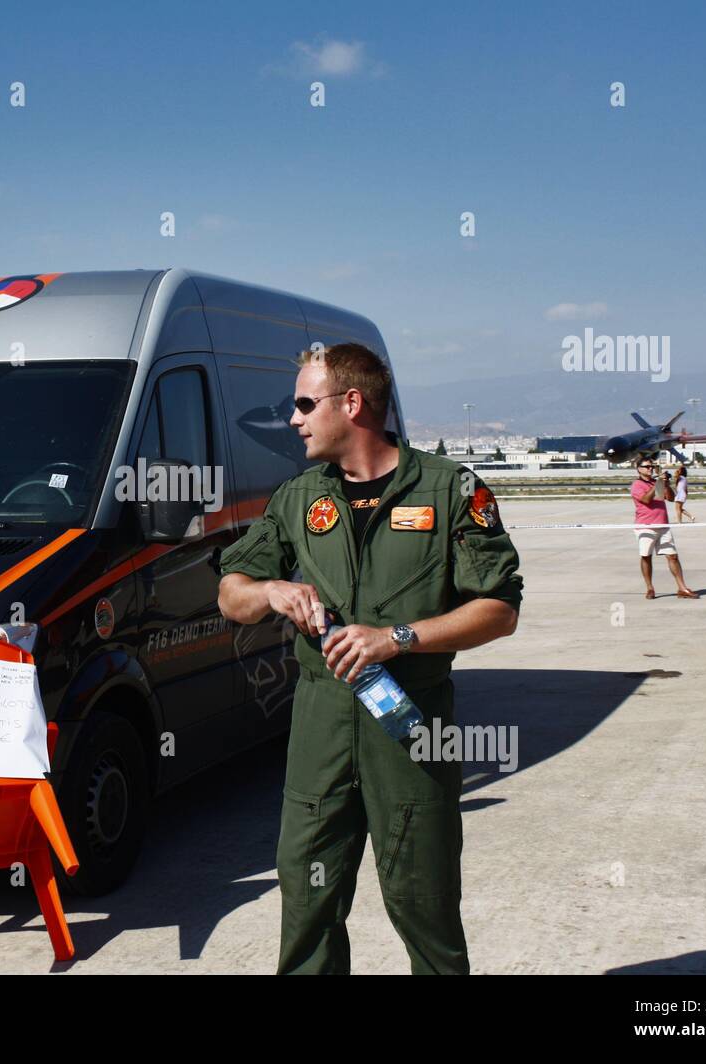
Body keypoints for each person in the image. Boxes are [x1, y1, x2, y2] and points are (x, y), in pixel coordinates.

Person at [217, 342, 524, 975]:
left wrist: (397, 639)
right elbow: (231, 594)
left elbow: (499, 610)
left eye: (304, 404)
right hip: (319, 726)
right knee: (306, 902)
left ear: (352, 403)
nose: (294, 419)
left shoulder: (449, 491)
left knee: (424, 906)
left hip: (412, 727)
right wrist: (271, 590)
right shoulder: (299, 497)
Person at [630, 458, 698, 600]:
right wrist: (657, 484)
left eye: (652, 466)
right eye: (647, 466)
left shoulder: (656, 482)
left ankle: (682, 587)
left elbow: (671, 498)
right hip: (646, 526)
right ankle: (650, 588)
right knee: (646, 557)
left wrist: (665, 484)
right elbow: (646, 500)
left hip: (663, 524)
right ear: (639, 469)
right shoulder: (637, 485)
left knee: (672, 556)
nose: (650, 469)